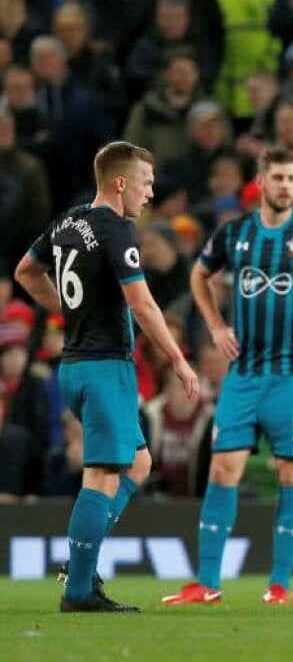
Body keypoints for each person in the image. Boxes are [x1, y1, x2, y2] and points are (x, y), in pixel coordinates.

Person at [161, 147, 293, 606]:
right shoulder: (235, 233)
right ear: (261, 181)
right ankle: (207, 582)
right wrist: (215, 325)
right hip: (244, 374)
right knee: (222, 467)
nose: (287, 186)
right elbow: (199, 276)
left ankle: (279, 584)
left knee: (292, 472)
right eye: (278, 178)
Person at [14, 141, 199, 611]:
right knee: (100, 477)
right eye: (145, 182)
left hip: (75, 367)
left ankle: (82, 562)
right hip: (104, 367)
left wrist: (67, 309)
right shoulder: (116, 230)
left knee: (138, 465)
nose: (150, 193)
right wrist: (177, 359)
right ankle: (78, 588)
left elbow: (25, 271)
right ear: (120, 183)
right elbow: (142, 303)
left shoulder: (66, 222)